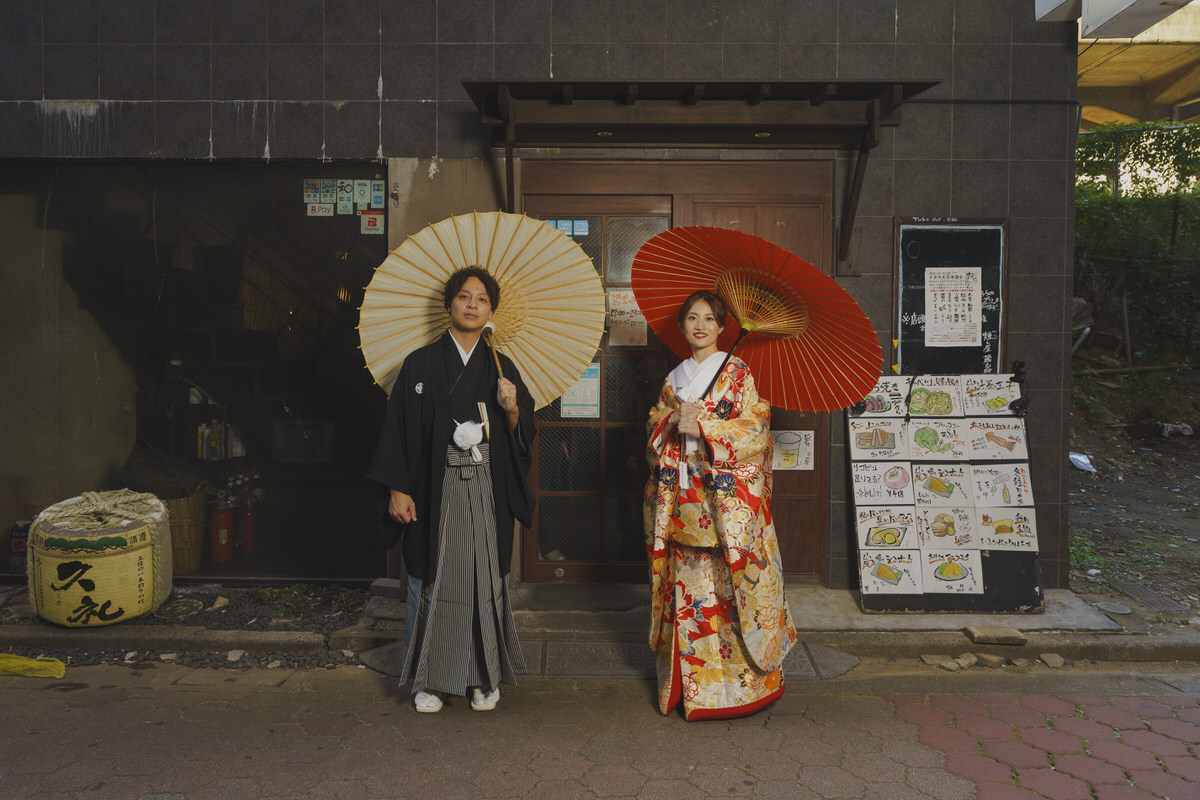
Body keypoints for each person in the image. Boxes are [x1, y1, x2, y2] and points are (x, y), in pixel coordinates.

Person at [368, 266, 535, 713]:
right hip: (432, 486)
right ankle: (431, 679)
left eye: (481, 298)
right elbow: (398, 432)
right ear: (449, 304)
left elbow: (522, 436)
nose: (472, 304)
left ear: (491, 311)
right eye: (464, 296)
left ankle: (484, 678)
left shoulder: (503, 368)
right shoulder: (419, 365)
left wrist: (513, 409)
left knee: (483, 576)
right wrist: (398, 489)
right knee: (430, 578)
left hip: (484, 488)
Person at [643, 290, 798, 720]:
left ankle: (742, 689)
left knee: (730, 589)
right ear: (681, 327)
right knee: (690, 591)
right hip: (682, 495)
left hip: (723, 500)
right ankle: (690, 688)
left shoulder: (737, 372)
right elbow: (654, 428)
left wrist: (707, 425)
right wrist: (672, 421)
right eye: (692, 318)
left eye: (709, 319)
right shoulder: (674, 379)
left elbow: (755, 428)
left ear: (722, 326)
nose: (700, 326)